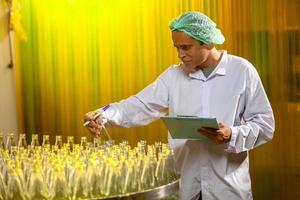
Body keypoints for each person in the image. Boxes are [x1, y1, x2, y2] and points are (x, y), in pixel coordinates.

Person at [84, 11, 275, 200]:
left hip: (227, 190)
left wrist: (232, 135)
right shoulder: (173, 76)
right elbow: (139, 105)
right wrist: (102, 115)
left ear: (207, 42)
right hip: (186, 187)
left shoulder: (242, 71)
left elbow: (265, 125)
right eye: (177, 48)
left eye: (186, 47)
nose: (180, 54)